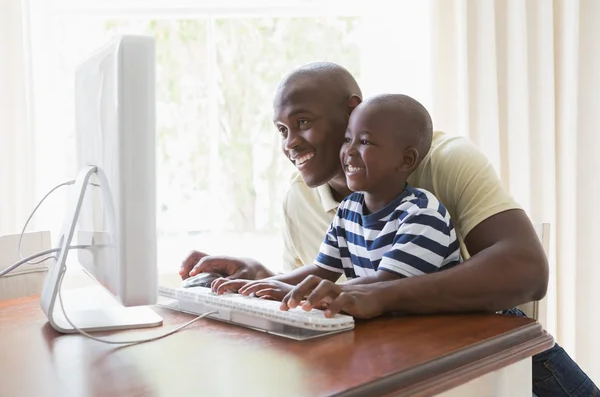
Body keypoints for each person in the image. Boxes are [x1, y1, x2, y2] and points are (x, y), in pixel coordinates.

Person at [180, 62, 597, 396]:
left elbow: (527, 270)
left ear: (351, 111)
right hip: (388, 362)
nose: (290, 143)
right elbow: (319, 289)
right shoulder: (299, 198)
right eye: (282, 130)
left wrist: (378, 294)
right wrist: (261, 278)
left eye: (303, 122)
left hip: (472, 356)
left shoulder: (440, 163)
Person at [211, 94, 461, 307]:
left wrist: (300, 294)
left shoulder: (422, 216)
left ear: (406, 160)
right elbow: (322, 270)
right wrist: (259, 286)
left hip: (437, 335)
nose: (349, 152)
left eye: (364, 142)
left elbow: (386, 283)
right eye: (347, 140)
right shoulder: (349, 210)